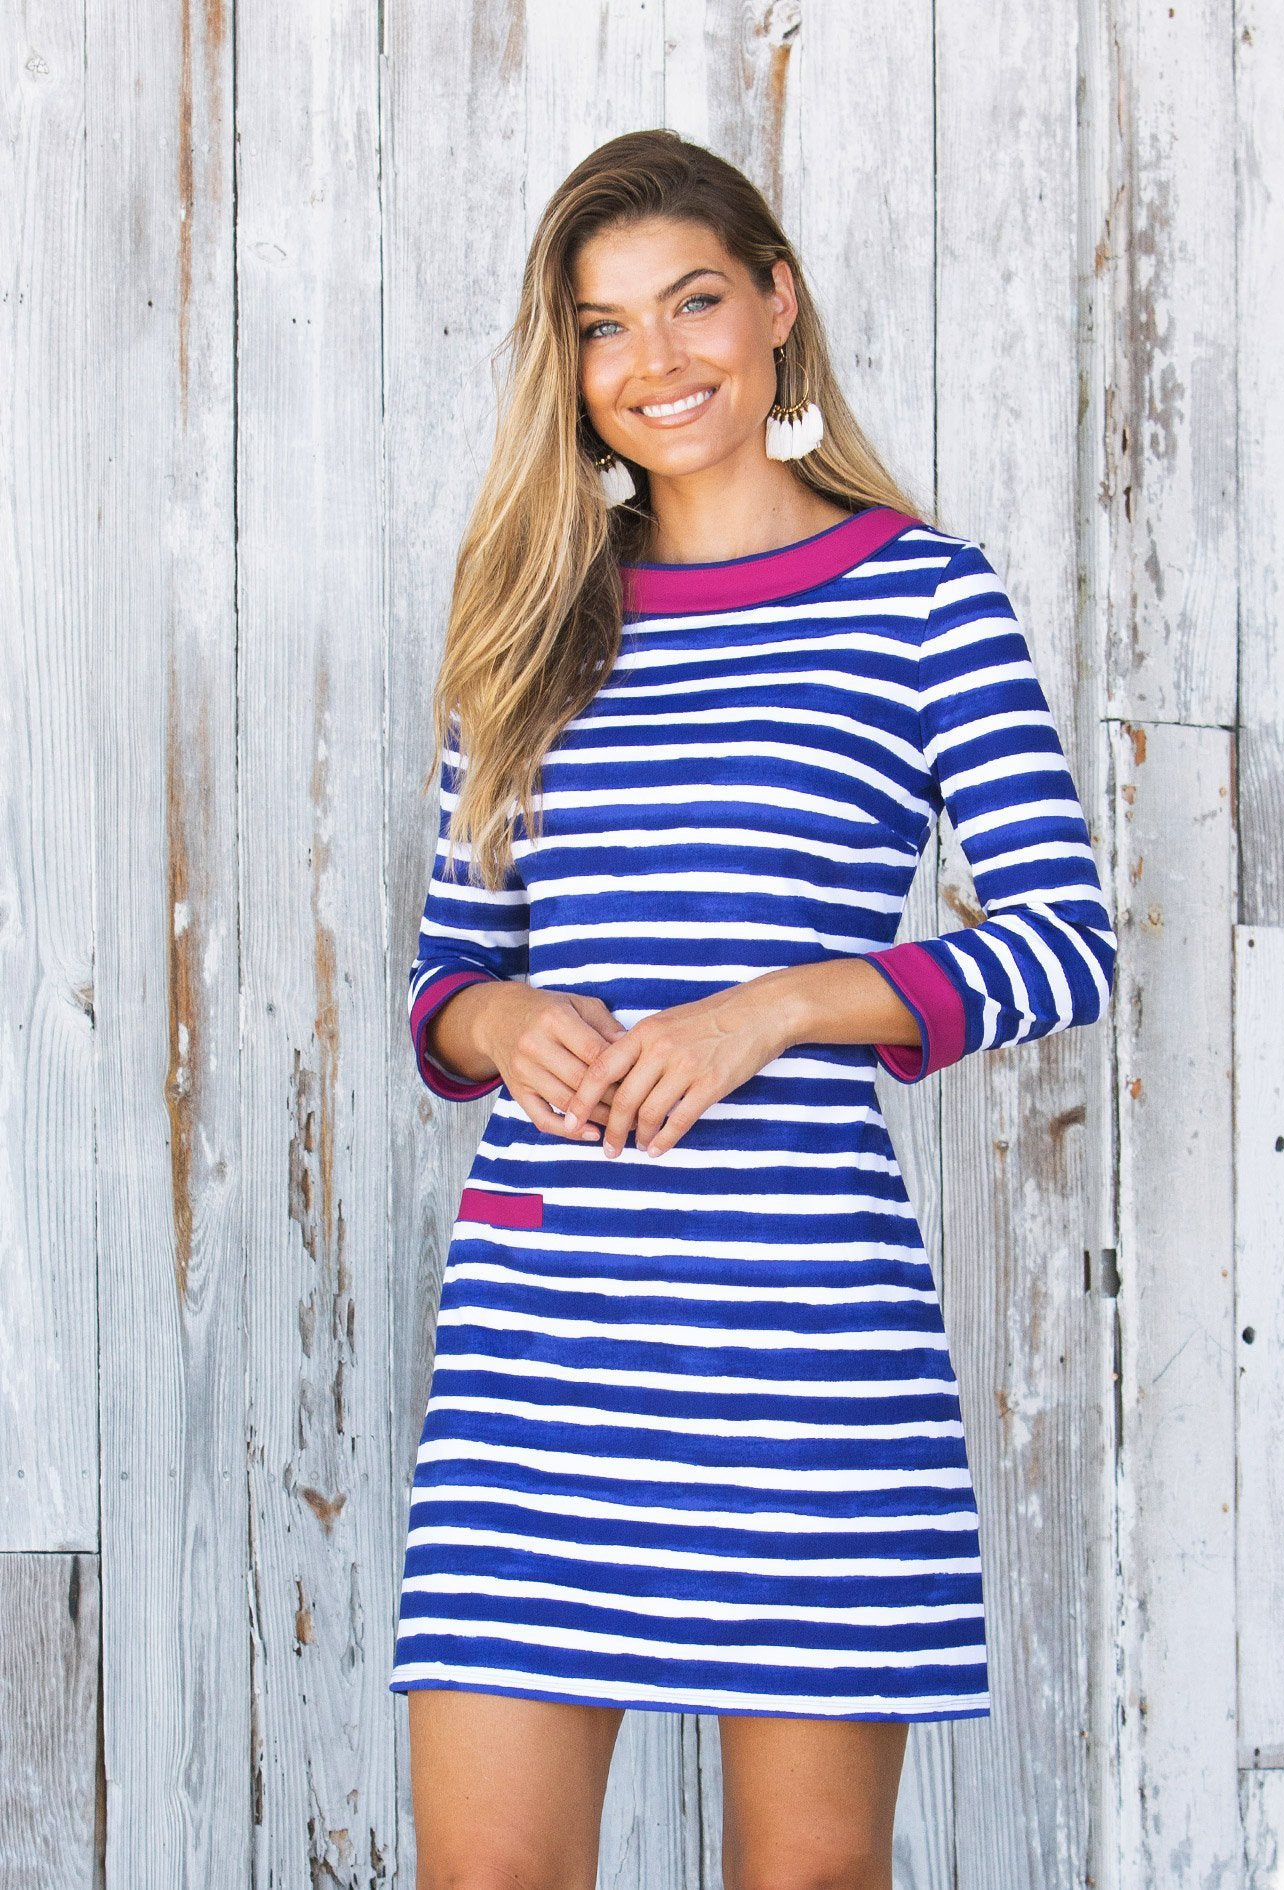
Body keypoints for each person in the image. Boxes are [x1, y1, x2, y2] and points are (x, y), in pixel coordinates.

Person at [388, 128, 1116, 1890]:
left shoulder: (917, 596)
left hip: (802, 1348)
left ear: (775, 304)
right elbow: (443, 979)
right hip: (541, 1343)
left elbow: (1065, 937)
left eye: (693, 302)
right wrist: (504, 1028)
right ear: (567, 361)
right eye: (604, 325)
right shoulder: (530, 620)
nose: (656, 362)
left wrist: (775, 1007)